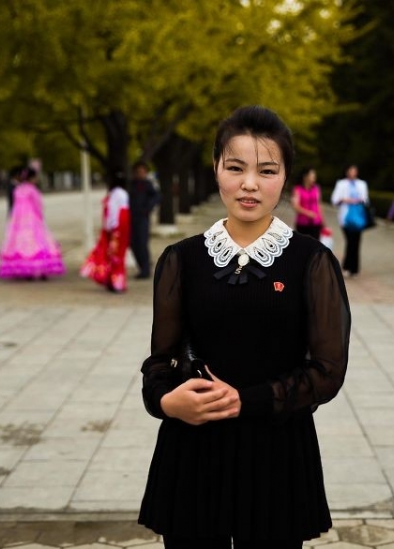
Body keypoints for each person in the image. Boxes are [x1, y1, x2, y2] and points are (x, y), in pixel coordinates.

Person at [138, 105, 351, 549]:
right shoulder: (181, 259)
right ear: (216, 168)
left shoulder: (311, 261)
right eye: (235, 168)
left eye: (266, 170)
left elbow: (327, 371)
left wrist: (245, 401)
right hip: (193, 455)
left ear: (285, 177)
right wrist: (167, 402)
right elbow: (160, 361)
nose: (249, 183)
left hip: (276, 455)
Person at [0, 167, 66, 280]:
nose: (37, 180)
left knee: (20, 244)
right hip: (32, 219)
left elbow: (14, 205)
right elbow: (38, 205)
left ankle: (25, 270)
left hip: (18, 220)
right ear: (32, 178)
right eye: (35, 177)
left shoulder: (18, 190)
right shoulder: (32, 190)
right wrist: (40, 217)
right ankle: (42, 270)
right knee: (38, 243)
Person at [80, 175, 131, 293]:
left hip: (116, 228)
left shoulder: (116, 194)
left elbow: (115, 212)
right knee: (116, 256)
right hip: (118, 228)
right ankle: (115, 282)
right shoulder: (119, 194)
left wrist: (111, 228)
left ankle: (114, 282)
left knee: (114, 256)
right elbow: (116, 212)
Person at [331, 164, 370, 277]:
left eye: (354, 170)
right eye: (350, 170)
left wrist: (359, 200)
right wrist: (345, 200)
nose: (352, 173)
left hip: (358, 217)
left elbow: (366, 200)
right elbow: (334, 200)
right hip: (346, 217)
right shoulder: (341, 184)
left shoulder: (362, 184)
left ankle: (354, 268)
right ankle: (347, 266)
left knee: (356, 241)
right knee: (350, 241)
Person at [129, 161, 161, 279]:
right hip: (131, 218)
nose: (140, 174)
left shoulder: (148, 184)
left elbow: (156, 197)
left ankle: (145, 270)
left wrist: (147, 208)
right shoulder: (131, 185)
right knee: (133, 244)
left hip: (142, 218)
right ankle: (142, 266)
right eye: (138, 172)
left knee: (142, 243)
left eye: (142, 172)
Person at [291, 167, 324, 239]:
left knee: (315, 243)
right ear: (305, 177)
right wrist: (308, 213)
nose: (314, 179)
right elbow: (295, 206)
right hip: (302, 223)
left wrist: (322, 221)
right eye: (312, 176)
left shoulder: (316, 188)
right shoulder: (297, 189)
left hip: (316, 222)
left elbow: (319, 204)